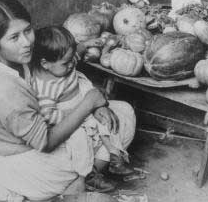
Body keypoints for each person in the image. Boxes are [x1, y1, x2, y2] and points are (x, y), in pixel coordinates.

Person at [0, 0, 136, 201]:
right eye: (14, 37)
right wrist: (88, 104)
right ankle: (80, 181)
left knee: (122, 113)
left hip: (40, 133)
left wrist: (96, 106)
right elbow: (46, 142)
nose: (26, 42)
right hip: (26, 159)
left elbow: (64, 60)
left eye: (28, 30)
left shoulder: (18, 56)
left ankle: (78, 179)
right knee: (112, 129)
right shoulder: (3, 92)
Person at [30, 26, 134, 187]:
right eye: (66, 63)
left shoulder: (63, 62)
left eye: (72, 59)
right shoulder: (45, 87)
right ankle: (88, 175)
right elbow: (48, 115)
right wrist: (75, 114)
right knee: (79, 143)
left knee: (107, 123)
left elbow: (76, 52)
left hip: (85, 107)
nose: (72, 64)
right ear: (45, 64)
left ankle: (115, 158)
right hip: (71, 118)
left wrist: (86, 44)